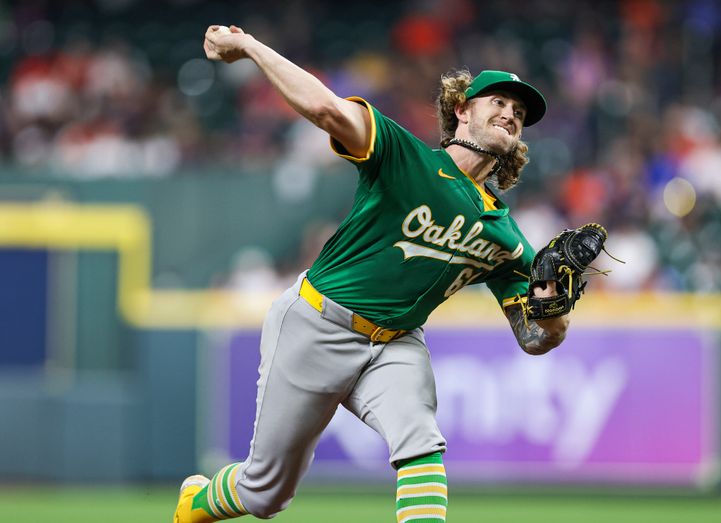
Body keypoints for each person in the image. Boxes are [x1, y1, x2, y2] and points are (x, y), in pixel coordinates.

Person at [174, 24, 570, 523]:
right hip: (317, 323)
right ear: (463, 110)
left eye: (520, 112)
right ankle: (197, 504)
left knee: (421, 441)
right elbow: (325, 109)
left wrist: (554, 304)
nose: (511, 113)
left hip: (396, 342)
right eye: (498, 101)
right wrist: (251, 47)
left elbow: (536, 337)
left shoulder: (507, 236)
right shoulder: (405, 157)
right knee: (265, 493)